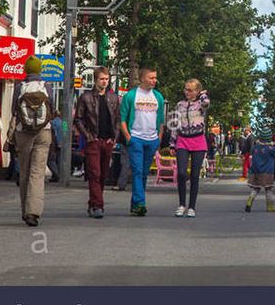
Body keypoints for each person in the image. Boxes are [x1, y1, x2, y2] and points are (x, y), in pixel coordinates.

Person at [8, 57, 55, 227]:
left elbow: (14, 110)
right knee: (37, 172)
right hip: (44, 132)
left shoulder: (20, 87)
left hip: (23, 132)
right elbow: (52, 108)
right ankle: (33, 212)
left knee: (25, 172)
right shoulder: (47, 86)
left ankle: (24, 210)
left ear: (26, 70)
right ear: (40, 70)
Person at [73, 67, 120, 219]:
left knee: (103, 175)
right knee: (94, 173)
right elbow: (78, 118)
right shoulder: (86, 97)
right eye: (101, 79)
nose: (104, 82)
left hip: (107, 141)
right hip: (93, 140)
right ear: (95, 80)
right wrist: (87, 136)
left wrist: (115, 137)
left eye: (106, 79)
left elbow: (118, 119)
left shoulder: (113, 98)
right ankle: (98, 205)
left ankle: (93, 203)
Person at [120, 67, 165, 217]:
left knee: (144, 173)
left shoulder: (158, 97)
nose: (154, 80)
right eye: (151, 78)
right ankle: (140, 202)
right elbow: (123, 119)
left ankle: (135, 205)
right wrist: (128, 137)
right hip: (136, 139)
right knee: (137, 171)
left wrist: (159, 138)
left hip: (152, 139)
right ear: (142, 78)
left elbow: (161, 121)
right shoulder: (131, 96)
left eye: (155, 78)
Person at [168, 78, 210, 218]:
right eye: (186, 89)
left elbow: (206, 103)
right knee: (180, 173)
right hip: (182, 140)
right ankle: (181, 204)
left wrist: (203, 94)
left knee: (194, 175)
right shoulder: (179, 105)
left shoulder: (200, 105)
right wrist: (172, 143)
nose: (187, 92)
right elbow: (174, 124)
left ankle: (192, 206)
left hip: (198, 141)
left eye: (190, 90)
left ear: (197, 91)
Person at [245, 121, 275, 212]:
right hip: (267, 172)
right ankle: (270, 206)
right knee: (268, 189)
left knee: (256, 188)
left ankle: (249, 201)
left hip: (256, 171)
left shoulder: (256, 148)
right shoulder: (269, 149)